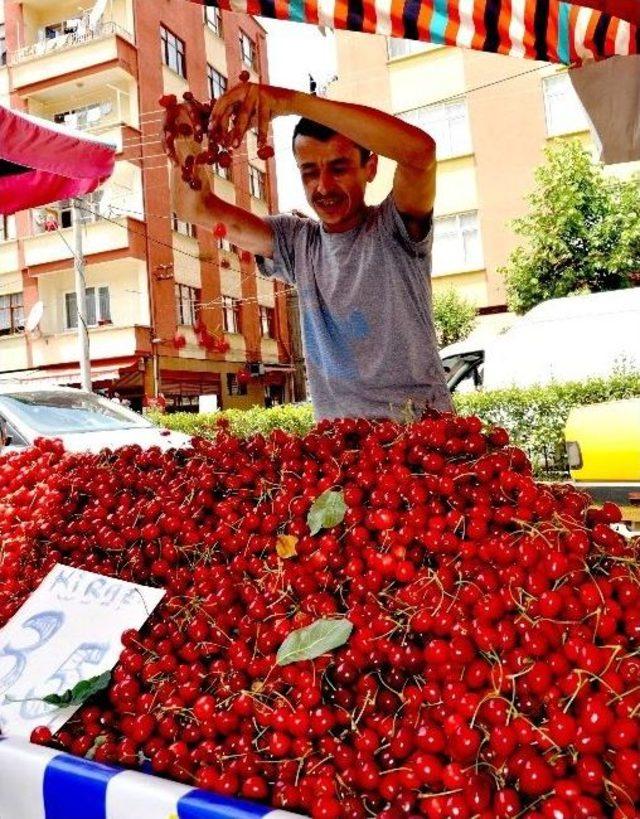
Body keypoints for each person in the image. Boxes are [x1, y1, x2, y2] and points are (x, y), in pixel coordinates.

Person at [166, 83, 453, 421]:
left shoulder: (394, 227)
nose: (324, 186)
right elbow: (195, 208)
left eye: (339, 168)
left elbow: (420, 153)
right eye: (310, 172)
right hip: (339, 455)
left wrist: (291, 103)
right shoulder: (297, 243)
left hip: (423, 442)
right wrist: (184, 138)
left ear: (370, 168)